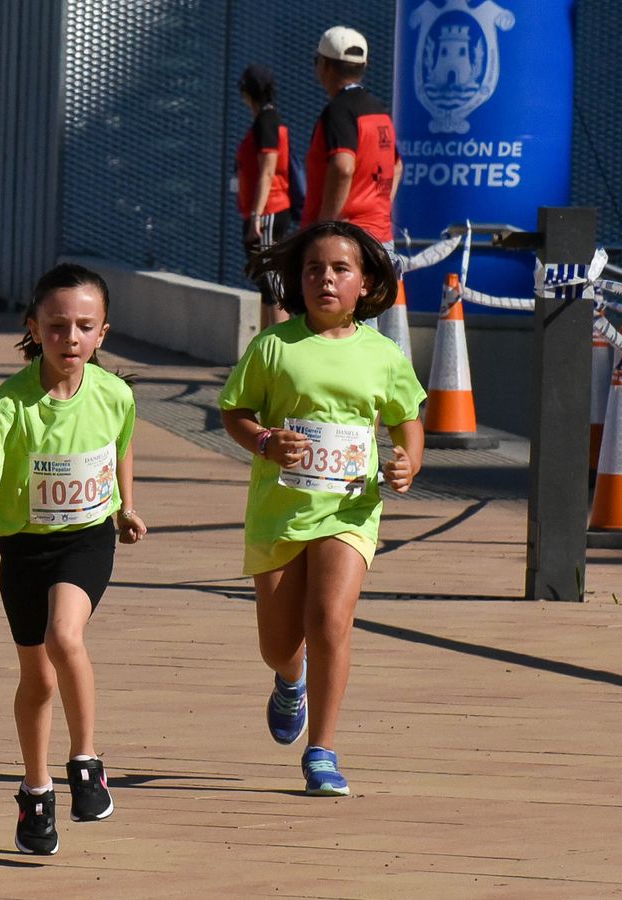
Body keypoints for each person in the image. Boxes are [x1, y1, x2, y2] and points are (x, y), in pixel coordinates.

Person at [218, 220, 425, 796]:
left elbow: (408, 421)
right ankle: (291, 681)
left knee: (331, 620)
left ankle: (323, 751)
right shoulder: (274, 346)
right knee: (278, 644)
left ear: (366, 283)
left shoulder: (383, 355)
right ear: (298, 280)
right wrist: (264, 441)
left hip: (350, 509)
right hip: (280, 511)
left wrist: (409, 462)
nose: (326, 279)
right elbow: (235, 411)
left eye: (340, 269)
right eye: (314, 269)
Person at [0, 263, 147, 855]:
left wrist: (126, 507)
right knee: (37, 676)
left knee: (66, 636)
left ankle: (86, 762)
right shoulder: (10, 403)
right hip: (25, 545)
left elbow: (120, 446)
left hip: (87, 537)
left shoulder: (114, 393)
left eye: (85, 327)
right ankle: (35, 791)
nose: (71, 338)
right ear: (33, 328)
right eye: (57, 325)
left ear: (102, 333)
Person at [306, 27, 401, 246]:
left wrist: (325, 228)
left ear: (324, 65)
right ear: (364, 66)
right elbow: (397, 166)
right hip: (381, 237)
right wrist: (378, 209)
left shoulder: (339, 111)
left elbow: (343, 167)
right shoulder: (380, 111)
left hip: (345, 244)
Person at [235, 64, 293, 332]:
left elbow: (268, 170)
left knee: (272, 283)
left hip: (269, 211)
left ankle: (281, 348)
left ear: (247, 93)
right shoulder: (264, 121)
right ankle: (263, 344)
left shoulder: (267, 121)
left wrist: (256, 216)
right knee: (264, 282)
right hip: (264, 212)